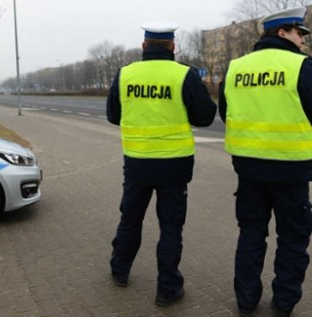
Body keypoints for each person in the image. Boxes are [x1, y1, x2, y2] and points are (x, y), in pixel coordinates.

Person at [107, 21, 217, 307]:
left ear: (144, 46)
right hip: (174, 166)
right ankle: (168, 289)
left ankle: (120, 270)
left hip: (137, 164)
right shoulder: (185, 75)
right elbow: (205, 117)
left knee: (129, 219)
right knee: (170, 228)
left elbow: (112, 115)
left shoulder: (125, 74)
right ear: (173, 47)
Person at [219, 7, 312, 317]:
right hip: (292, 170)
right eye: (300, 33)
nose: (303, 40)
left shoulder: (235, 68)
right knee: (293, 240)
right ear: (283, 33)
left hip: (248, 170)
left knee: (250, 234)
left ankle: (246, 301)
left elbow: (225, 113)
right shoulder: (302, 67)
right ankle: (284, 304)